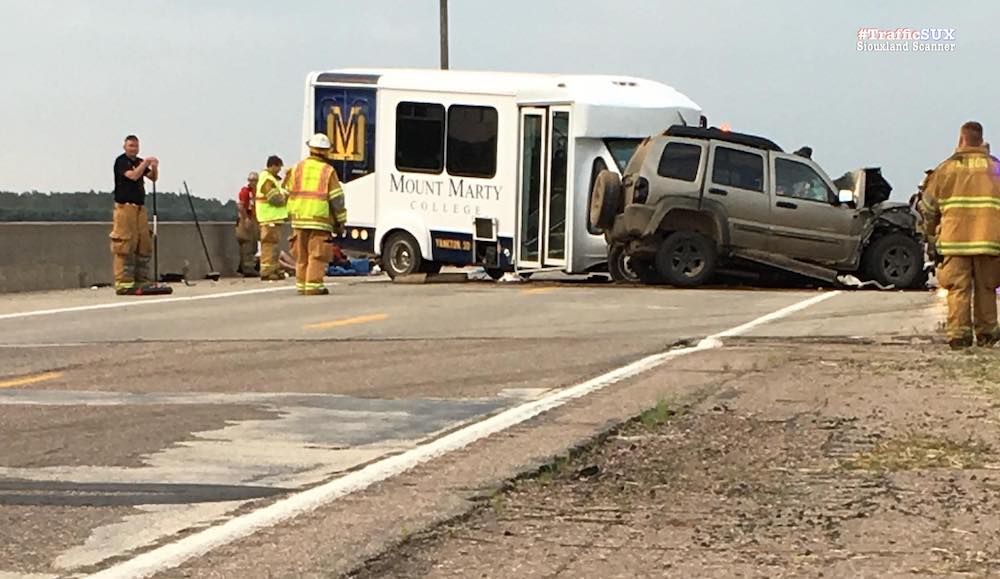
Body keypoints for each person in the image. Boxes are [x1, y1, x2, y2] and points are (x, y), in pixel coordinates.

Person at [921, 121, 1000, 349]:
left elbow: (928, 208)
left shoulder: (946, 169)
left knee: (958, 289)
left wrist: (931, 235)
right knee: (987, 288)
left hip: (954, 241)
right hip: (989, 241)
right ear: (981, 139)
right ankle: (987, 334)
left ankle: (959, 336)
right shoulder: (995, 169)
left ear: (961, 139)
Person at [283, 133, 347, 295]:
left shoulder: (296, 168)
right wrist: (340, 221)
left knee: (301, 255)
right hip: (319, 220)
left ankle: (301, 285)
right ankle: (313, 286)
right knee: (317, 254)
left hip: (298, 219)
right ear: (326, 152)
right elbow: (337, 199)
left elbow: (285, 193)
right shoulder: (328, 171)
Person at [111, 135, 159, 295]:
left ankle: (141, 280)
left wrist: (154, 167)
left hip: (139, 207)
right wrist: (145, 163)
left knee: (143, 242)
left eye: (136, 146)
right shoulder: (121, 161)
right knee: (125, 243)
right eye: (131, 146)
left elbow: (152, 177)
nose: (134, 149)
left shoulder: (138, 161)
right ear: (125, 146)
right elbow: (133, 176)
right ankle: (124, 282)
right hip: (125, 207)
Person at [255, 156, 289, 281]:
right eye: (279, 167)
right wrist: (285, 196)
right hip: (269, 219)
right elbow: (274, 198)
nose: (279, 170)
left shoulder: (271, 179)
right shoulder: (267, 179)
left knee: (274, 246)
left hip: (273, 219)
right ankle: (267, 271)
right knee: (269, 246)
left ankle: (274, 269)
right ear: (273, 165)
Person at [235, 172, 259, 276]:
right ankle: (247, 269)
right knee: (247, 244)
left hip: (254, 218)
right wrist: (245, 219)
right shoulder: (245, 191)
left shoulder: (256, 192)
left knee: (253, 244)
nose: (253, 182)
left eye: (254, 180)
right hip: (246, 219)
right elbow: (241, 206)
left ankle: (247, 266)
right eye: (251, 180)